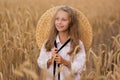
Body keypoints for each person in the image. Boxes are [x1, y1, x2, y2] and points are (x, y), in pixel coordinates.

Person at [37, 6, 86, 80]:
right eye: (57, 19)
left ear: (71, 23)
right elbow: (40, 62)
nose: (59, 22)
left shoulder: (77, 44)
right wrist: (50, 60)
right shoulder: (48, 42)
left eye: (64, 20)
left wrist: (65, 62)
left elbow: (81, 67)